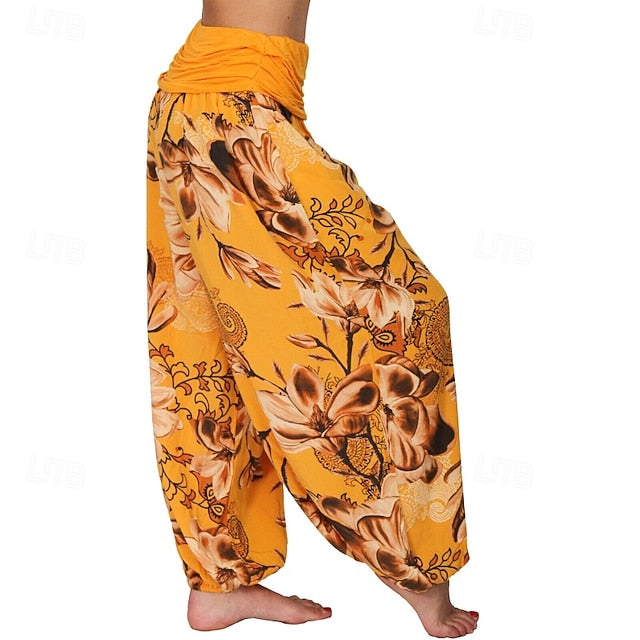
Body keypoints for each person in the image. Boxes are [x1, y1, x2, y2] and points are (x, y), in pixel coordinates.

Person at [145, 1, 479, 636]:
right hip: (230, 116)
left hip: (196, 109)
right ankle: (416, 565)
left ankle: (219, 582)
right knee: (407, 310)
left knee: (206, 353)